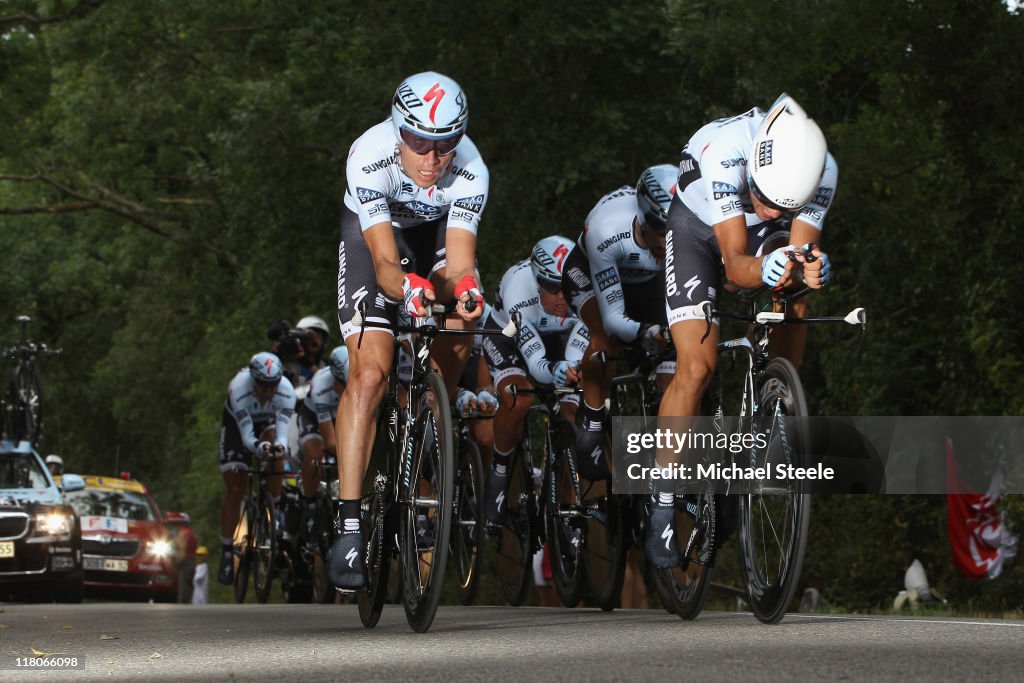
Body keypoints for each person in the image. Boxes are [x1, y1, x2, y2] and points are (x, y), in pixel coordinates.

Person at [650, 93, 838, 568]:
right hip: (697, 227)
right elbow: (734, 267)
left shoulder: (823, 172)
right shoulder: (724, 151)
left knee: (795, 294)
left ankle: (778, 401)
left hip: (752, 238)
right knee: (696, 366)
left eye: (783, 206)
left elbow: (795, 254)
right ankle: (663, 500)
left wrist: (806, 268)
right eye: (764, 197)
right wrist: (766, 264)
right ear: (753, 167)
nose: (771, 210)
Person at [330, 71, 488, 591]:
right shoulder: (368, 155)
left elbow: (459, 261)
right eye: (419, 143)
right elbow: (383, 264)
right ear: (399, 131)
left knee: (468, 313)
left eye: (444, 146)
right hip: (377, 243)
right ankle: (349, 525)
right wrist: (410, 289)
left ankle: (428, 411)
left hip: (435, 237)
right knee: (370, 375)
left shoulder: (471, 171)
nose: (431, 159)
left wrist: (464, 288)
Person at [561, 164, 678, 481]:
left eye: (676, 231)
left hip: (645, 283)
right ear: (642, 219)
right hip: (587, 271)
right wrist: (644, 331)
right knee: (605, 340)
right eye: (659, 230)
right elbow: (614, 320)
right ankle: (593, 422)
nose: (667, 242)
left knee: (676, 351)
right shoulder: (608, 229)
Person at [480, 236, 589, 525]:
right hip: (508, 339)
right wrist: (555, 369)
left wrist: (572, 368)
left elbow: (579, 350)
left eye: (567, 287)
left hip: (559, 339)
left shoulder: (584, 286)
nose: (562, 297)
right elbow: (537, 364)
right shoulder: (519, 290)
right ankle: (500, 471)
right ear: (537, 280)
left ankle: (565, 503)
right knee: (520, 397)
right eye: (553, 289)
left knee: (568, 412)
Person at [217, 351, 296, 584]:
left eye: (272, 385)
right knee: (235, 483)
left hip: (267, 424)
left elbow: (282, 435)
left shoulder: (287, 391)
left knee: (277, 456)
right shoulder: (238, 388)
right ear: (252, 380)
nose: (268, 391)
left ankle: (274, 516)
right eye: (262, 385)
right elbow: (246, 436)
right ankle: (226, 549)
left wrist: (277, 448)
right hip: (237, 426)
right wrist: (257, 447)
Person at [296, 346, 349, 543]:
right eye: (344, 384)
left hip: (342, 416)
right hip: (313, 419)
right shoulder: (321, 384)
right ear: (335, 380)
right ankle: (309, 505)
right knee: (315, 455)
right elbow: (330, 441)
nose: (348, 389)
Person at [167, 513, 198, 604]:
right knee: (190, 588)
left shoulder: (183, 534)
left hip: (186, 564)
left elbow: (182, 551)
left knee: (184, 590)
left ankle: (183, 607)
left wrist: (176, 563)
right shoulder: (190, 533)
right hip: (192, 562)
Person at [296, 315, 332, 383]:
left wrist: (309, 365)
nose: (315, 340)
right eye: (310, 336)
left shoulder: (328, 365)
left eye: (319, 337)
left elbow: (329, 383)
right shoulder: (290, 363)